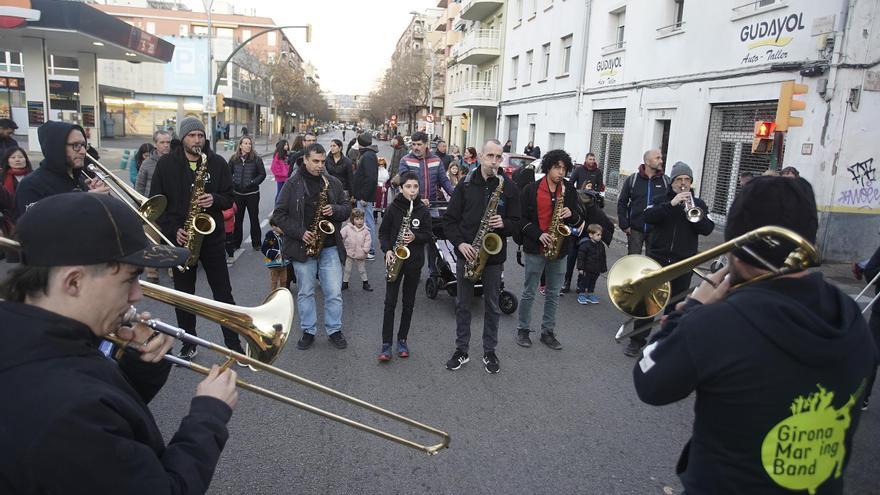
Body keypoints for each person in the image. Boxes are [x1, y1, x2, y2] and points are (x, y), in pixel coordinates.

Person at [632, 176, 876, 494]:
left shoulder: (717, 322)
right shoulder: (849, 313)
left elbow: (650, 382)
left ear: (737, 239)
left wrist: (691, 308)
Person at [0, 192, 238, 494]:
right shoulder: (65, 408)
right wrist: (209, 414)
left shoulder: (39, 339)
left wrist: (140, 368)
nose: (138, 294)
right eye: (129, 279)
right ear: (73, 282)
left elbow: (103, 424)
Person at [149, 116, 244, 360]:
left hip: (212, 238)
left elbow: (230, 196)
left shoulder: (217, 163)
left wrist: (215, 199)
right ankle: (188, 342)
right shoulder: (166, 165)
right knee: (184, 295)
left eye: (200, 135)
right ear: (182, 138)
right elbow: (157, 205)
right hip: (180, 240)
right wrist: (173, 231)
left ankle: (233, 345)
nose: (197, 140)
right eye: (192, 135)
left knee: (223, 294)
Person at [443, 139, 521, 374]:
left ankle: (490, 351)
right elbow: (449, 221)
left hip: (493, 258)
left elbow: (517, 224)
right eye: (490, 156)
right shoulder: (465, 185)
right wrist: (461, 243)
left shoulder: (508, 187)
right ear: (480, 157)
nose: (494, 162)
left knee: (492, 306)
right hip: (468, 253)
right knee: (463, 305)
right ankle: (462, 350)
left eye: (498, 157)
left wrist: (504, 223)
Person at [623, 162, 715, 357]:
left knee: (675, 306)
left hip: (683, 262)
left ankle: (664, 344)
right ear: (672, 182)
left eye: (686, 180)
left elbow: (707, 229)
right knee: (649, 302)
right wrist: (671, 205)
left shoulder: (698, 204)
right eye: (679, 179)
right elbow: (647, 217)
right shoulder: (660, 199)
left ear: (691, 182)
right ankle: (636, 340)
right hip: (658, 259)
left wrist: (694, 216)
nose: (683, 183)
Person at [273, 143, 352, 350]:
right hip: (303, 247)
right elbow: (278, 215)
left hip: (329, 246)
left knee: (334, 292)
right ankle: (308, 330)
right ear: (305, 160)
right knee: (306, 291)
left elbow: (346, 210)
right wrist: (300, 233)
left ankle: (334, 329)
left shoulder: (332, 182)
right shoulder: (292, 184)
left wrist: (334, 209)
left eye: (322, 162)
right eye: (315, 161)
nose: (319, 166)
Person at [516, 149, 581, 351]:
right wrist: (538, 234)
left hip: (559, 249)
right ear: (548, 167)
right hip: (536, 247)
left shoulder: (568, 190)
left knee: (553, 292)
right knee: (529, 291)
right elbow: (521, 220)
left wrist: (572, 214)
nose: (561, 172)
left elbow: (579, 218)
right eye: (557, 167)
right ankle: (523, 330)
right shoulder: (531, 190)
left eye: (564, 168)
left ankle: (548, 332)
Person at [378, 172, 432, 362]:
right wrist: (387, 250)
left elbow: (429, 235)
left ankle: (402, 339)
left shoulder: (423, 210)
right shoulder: (393, 208)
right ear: (401, 189)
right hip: (395, 261)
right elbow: (383, 232)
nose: (412, 191)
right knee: (389, 303)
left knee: (408, 303)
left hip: (414, 263)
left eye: (415, 187)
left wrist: (416, 237)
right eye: (408, 187)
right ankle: (386, 344)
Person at [14, 121, 108, 220]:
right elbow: (34, 225)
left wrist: (100, 197)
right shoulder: (30, 185)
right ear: (56, 148)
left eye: (84, 145)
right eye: (76, 145)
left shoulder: (81, 179)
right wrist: (85, 199)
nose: (83, 151)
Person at [399, 131, 455, 277]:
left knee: (434, 240)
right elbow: (404, 184)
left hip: (432, 207)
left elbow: (444, 182)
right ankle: (410, 270)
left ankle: (433, 271)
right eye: (413, 144)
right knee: (411, 240)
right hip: (412, 208)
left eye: (419, 144)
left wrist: (456, 195)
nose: (416, 147)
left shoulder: (436, 160)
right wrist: (417, 199)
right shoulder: (405, 160)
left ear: (426, 145)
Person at [616, 148, 670, 256]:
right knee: (633, 261)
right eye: (657, 158)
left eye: (661, 158)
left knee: (653, 262)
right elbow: (622, 202)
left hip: (656, 230)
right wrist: (624, 224)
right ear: (647, 161)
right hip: (635, 229)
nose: (661, 161)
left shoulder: (666, 181)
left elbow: (669, 206)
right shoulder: (633, 179)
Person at [562, 189, 614, 293]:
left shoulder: (595, 211)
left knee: (585, 261)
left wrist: (588, 230)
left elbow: (607, 227)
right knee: (570, 257)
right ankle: (566, 282)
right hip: (575, 235)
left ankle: (580, 284)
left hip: (587, 236)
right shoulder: (575, 205)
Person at [228, 136, 266, 251]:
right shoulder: (234, 159)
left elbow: (262, 174)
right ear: (240, 145)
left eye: (249, 143)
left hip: (252, 194)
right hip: (238, 194)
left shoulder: (256, 159)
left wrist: (253, 182)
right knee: (238, 220)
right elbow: (228, 174)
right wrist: (234, 182)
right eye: (245, 143)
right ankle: (236, 243)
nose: (248, 145)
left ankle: (256, 243)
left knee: (254, 218)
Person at [352, 132, 380, 261]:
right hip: (363, 196)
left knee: (367, 223)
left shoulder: (368, 156)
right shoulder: (368, 154)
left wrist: (364, 196)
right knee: (363, 222)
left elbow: (370, 178)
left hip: (365, 197)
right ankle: (365, 248)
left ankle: (370, 250)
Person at [340, 208, 373, 291]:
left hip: (360, 253)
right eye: (357, 219)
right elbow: (341, 236)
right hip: (349, 252)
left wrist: (365, 250)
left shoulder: (366, 230)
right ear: (352, 219)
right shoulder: (347, 228)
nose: (360, 221)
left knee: (362, 270)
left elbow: (368, 241)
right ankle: (345, 283)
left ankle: (365, 283)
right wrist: (341, 245)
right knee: (347, 269)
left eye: (361, 219)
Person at [576, 224, 607, 305]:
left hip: (596, 268)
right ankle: (582, 294)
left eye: (601, 235)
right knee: (584, 281)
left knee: (592, 282)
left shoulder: (601, 245)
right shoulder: (585, 245)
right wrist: (580, 268)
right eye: (598, 235)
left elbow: (603, 257)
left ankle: (590, 294)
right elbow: (581, 257)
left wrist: (603, 268)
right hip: (586, 268)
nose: (600, 237)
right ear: (591, 235)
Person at [261, 218, 289, 291]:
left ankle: (283, 294)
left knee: (284, 280)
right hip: (273, 263)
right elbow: (264, 248)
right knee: (274, 281)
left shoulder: (284, 235)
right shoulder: (270, 236)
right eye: (280, 227)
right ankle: (273, 295)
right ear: (274, 227)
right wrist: (276, 253)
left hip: (284, 263)